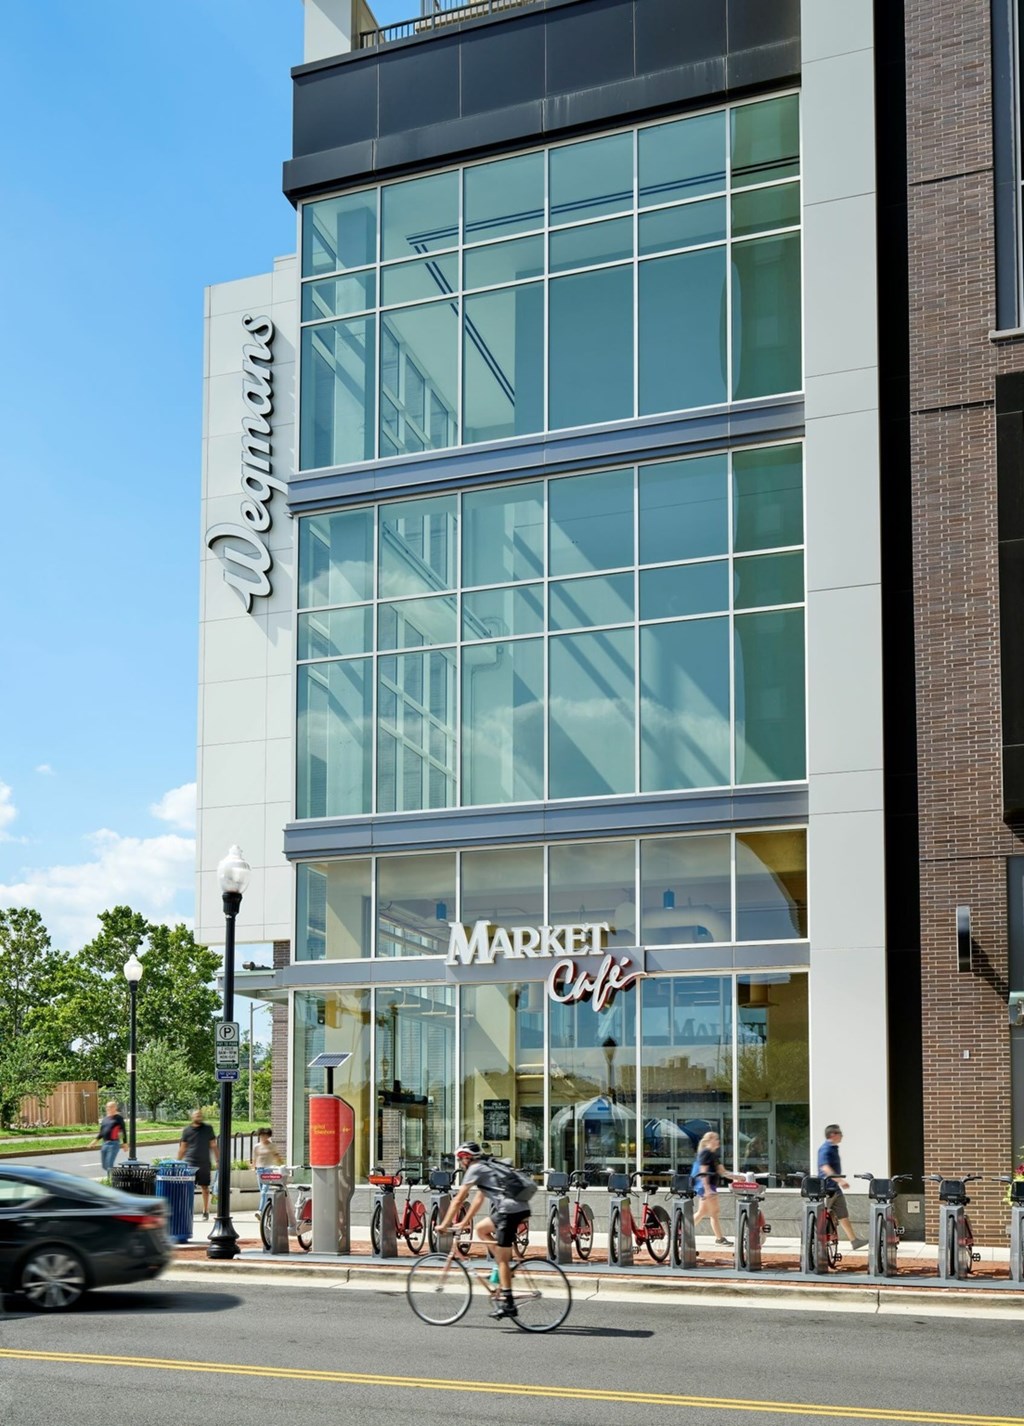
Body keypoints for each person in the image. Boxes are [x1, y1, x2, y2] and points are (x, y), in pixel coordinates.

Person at [435, 1142, 531, 1320]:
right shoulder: (485, 1168)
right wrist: (463, 1222)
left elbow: (458, 1199)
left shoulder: (475, 1169)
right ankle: (505, 1268)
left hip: (509, 1212)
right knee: (481, 1229)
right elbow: (478, 1200)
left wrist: (444, 1224)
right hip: (515, 1208)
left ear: (466, 1158)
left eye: (460, 1159)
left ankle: (509, 1304)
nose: (460, 1163)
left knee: (502, 1260)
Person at [817, 1124, 868, 1251]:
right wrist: (840, 1180)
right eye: (840, 1133)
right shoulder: (826, 1148)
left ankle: (854, 1241)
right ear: (833, 1135)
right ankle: (818, 1241)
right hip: (827, 1188)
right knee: (822, 1216)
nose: (842, 1136)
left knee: (843, 1215)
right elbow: (825, 1167)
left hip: (835, 1188)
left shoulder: (833, 1148)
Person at [691, 1129, 737, 1245]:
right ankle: (719, 1238)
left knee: (703, 1213)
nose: (718, 1141)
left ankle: (680, 1231)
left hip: (708, 1187)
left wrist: (738, 1177)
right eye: (716, 1139)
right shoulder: (706, 1153)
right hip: (707, 1187)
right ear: (709, 1141)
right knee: (714, 1213)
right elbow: (703, 1172)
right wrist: (707, 1189)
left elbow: (723, 1172)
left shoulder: (713, 1155)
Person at [178, 1108, 219, 1220]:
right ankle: (187, 1211)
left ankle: (205, 1211)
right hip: (190, 1162)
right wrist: (177, 1161)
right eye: (196, 1115)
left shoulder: (208, 1129)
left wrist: (218, 1160)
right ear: (192, 1117)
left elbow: (213, 1145)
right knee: (188, 1188)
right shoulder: (187, 1130)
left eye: (200, 1115)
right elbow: (183, 1147)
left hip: (204, 1162)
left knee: (205, 1187)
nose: (198, 1117)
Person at [90, 1100, 127, 1178]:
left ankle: (111, 1181)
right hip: (104, 1144)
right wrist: (95, 1140)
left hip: (114, 1144)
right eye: (107, 1107)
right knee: (104, 1165)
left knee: (109, 1165)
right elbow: (102, 1132)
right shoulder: (105, 1119)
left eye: (111, 1107)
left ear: (115, 1107)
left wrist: (125, 1143)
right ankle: (117, 1177)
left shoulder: (119, 1118)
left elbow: (123, 1130)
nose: (108, 1108)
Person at [251, 1127, 282, 1218]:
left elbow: (277, 1157)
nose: (263, 1137)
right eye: (261, 1135)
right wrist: (254, 1168)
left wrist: (281, 1166)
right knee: (262, 1192)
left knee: (264, 1191)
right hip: (259, 1170)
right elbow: (255, 1158)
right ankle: (266, 1211)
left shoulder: (272, 1146)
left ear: (268, 1136)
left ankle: (260, 1211)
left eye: (265, 1135)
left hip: (268, 1170)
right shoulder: (256, 1146)